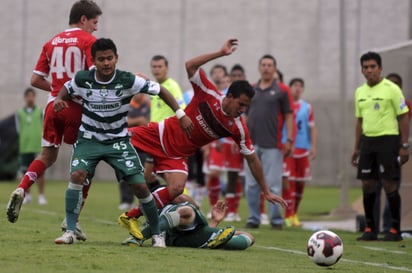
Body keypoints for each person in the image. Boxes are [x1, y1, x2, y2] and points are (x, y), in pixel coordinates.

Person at [118, 39, 287, 239]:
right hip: (160, 134)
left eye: (246, 107)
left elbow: (252, 158)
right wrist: (220, 53)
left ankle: (132, 216)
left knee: (176, 189)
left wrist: (266, 191)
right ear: (230, 96)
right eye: (240, 104)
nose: (242, 110)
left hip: (178, 154)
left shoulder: (237, 127)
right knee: (110, 141)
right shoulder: (208, 93)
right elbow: (190, 65)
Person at [52, 38, 193, 245]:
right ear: (94, 61)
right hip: (89, 140)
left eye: (110, 58)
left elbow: (161, 90)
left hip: (118, 141)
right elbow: (67, 88)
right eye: (101, 59)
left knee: (141, 187)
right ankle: (70, 231)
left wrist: (180, 114)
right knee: (77, 175)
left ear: (116, 58)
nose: (106, 63)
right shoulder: (83, 78)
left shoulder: (128, 80)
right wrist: (58, 99)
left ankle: (156, 234)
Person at [6, 0, 102, 231]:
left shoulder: (51, 42)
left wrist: (57, 92)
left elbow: (35, 80)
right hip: (76, 107)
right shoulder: (89, 41)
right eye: (95, 22)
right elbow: (92, 76)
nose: (96, 28)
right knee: (87, 160)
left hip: (52, 107)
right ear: (83, 20)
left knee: (47, 156)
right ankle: (73, 219)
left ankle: (22, 187)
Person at [351, 52, 409, 242]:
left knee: (389, 183)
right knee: (367, 184)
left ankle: (394, 230)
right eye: (366, 67)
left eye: (372, 67)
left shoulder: (392, 89)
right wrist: (357, 148)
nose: (369, 70)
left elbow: (403, 116)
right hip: (368, 142)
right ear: (362, 70)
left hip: (388, 140)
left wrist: (404, 145)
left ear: (380, 68)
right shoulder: (360, 92)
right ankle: (370, 228)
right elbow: (359, 122)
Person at [244, 54, 294, 230]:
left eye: (269, 65)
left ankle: (276, 219)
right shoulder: (251, 89)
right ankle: (253, 218)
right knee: (251, 184)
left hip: (273, 144)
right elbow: (244, 115)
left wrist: (289, 139)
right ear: (259, 68)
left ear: (274, 68)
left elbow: (289, 115)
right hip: (250, 144)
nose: (266, 68)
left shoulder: (282, 90)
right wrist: (239, 138)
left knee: (273, 184)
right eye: (263, 65)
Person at [122, 196, 254, 250]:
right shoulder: (158, 198)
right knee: (186, 210)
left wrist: (213, 221)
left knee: (250, 238)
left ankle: (139, 237)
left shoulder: (166, 197)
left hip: (182, 229)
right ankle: (139, 237)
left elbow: (181, 197)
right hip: (178, 233)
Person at [373, 73, 412, 234]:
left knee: (392, 189)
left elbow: (404, 123)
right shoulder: (376, 102)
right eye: (390, 83)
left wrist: (403, 146)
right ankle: (372, 227)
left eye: (396, 83)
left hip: (393, 152)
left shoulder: (404, 105)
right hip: (375, 151)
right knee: (373, 190)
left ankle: (390, 227)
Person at [282, 78, 317, 227]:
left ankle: (295, 213)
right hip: (288, 148)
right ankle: (288, 215)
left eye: (300, 86)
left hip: (302, 149)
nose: (297, 88)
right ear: (289, 88)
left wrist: (313, 146)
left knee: (300, 184)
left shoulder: (307, 107)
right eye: (295, 85)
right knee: (288, 181)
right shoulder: (285, 105)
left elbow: (312, 128)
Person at [15, 88, 47, 205]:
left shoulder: (40, 111)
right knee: (25, 172)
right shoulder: (19, 113)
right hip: (25, 147)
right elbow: (18, 130)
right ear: (25, 98)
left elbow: (45, 126)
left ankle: (41, 196)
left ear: (35, 97)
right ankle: (27, 195)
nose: (30, 98)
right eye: (28, 96)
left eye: (32, 96)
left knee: (40, 173)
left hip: (37, 146)